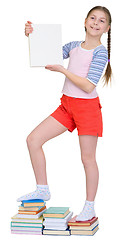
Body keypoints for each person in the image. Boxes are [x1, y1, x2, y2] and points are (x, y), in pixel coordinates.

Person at [17, 6, 112, 221]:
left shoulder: (100, 52)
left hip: (87, 109)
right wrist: (31, 35)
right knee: (33, 140)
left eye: (102, 21)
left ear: (107, 28)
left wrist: (62, 70)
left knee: (87, 159)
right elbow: (47, 53)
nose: (96, 23)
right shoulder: (73, 46)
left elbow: (88, 86)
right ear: (85, 21)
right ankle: (42, 189)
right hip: (67, 106)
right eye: (93, 18)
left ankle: (90, 206)